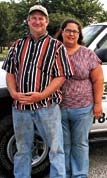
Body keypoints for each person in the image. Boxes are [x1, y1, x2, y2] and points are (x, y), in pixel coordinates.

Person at [2, 5, 74, 178]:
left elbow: (62, 76)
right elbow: (10, 72)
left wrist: (41, 95)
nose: (37, 21)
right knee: (22, 148)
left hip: (47, 106)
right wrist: (13, 92)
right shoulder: (18, 45)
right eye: (33, 18)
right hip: (21, 107)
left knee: (56, 148)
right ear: (27, 21)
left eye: (41, 18)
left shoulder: (57, 46)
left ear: (47, 22)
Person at [56, 18, 104, 178]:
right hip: (57, 108)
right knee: (63, 145)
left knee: (80, 144)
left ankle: (79, 175)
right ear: (62, 32)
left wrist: (98, 104)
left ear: (79, 35)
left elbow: (98, 80)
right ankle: (65, 173)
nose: (71, 34)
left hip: (83, 108)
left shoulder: (87, 54)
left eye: (75, 31)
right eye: (68, 30)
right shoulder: (53, 52)